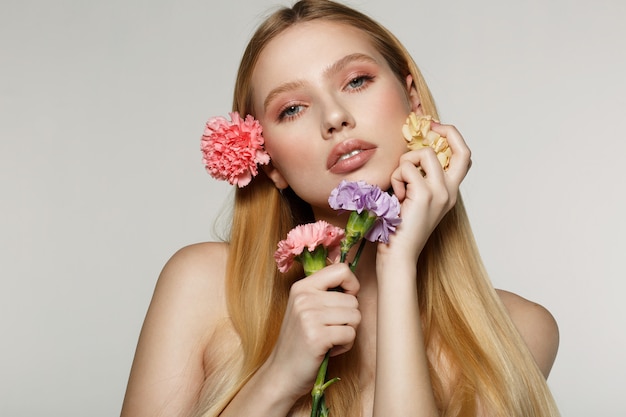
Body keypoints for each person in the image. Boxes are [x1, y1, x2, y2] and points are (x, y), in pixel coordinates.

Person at [120, 1, 560, 416]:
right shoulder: (202, 287)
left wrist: (397, 264)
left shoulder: (516, 332)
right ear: (269, 163)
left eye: (356, 81)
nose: (334, 116)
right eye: (292, 108)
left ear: (414, 101)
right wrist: (278, 377)